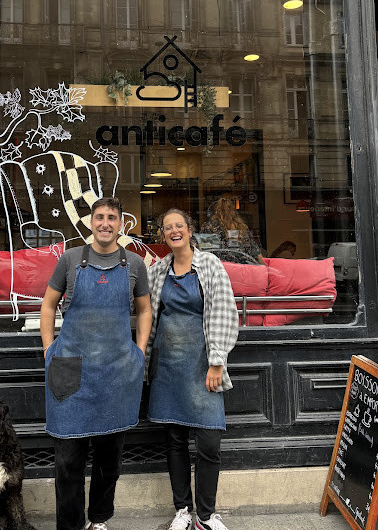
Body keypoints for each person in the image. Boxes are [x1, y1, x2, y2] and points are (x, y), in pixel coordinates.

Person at [40, 197, 152, 530]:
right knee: (67, 460)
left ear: (121, 225)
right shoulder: (71, 260)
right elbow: (48, 306)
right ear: (91, 222)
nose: (105, 224)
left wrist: (139, 351)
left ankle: (99, 520)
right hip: (67, 366)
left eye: (112, 218)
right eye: (100, 217)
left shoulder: (134, 264)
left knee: (108, 459)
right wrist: (49, 349)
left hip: (116, 370)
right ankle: (71, 525)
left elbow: (144, 311)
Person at [146, 208, 239, 530]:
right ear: (162, 234)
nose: (174, 231)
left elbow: (225, 313)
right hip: (168, 366)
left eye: (179, 226)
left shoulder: (210, 265)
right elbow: (147, 316)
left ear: (190, 230)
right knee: (174, 440)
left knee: (209, 442)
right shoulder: (157, 271)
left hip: (202, 363)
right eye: (167, 227)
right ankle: (182, 510)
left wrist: (216, 361)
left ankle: (207, 514)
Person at [200, 196, 265, 265]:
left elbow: (206, 251)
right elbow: (255, 251)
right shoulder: (241, 226)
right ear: (233, 211)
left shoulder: (209, 226)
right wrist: (266, 268)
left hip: (221, 268)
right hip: (244, 267)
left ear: (215, 211)